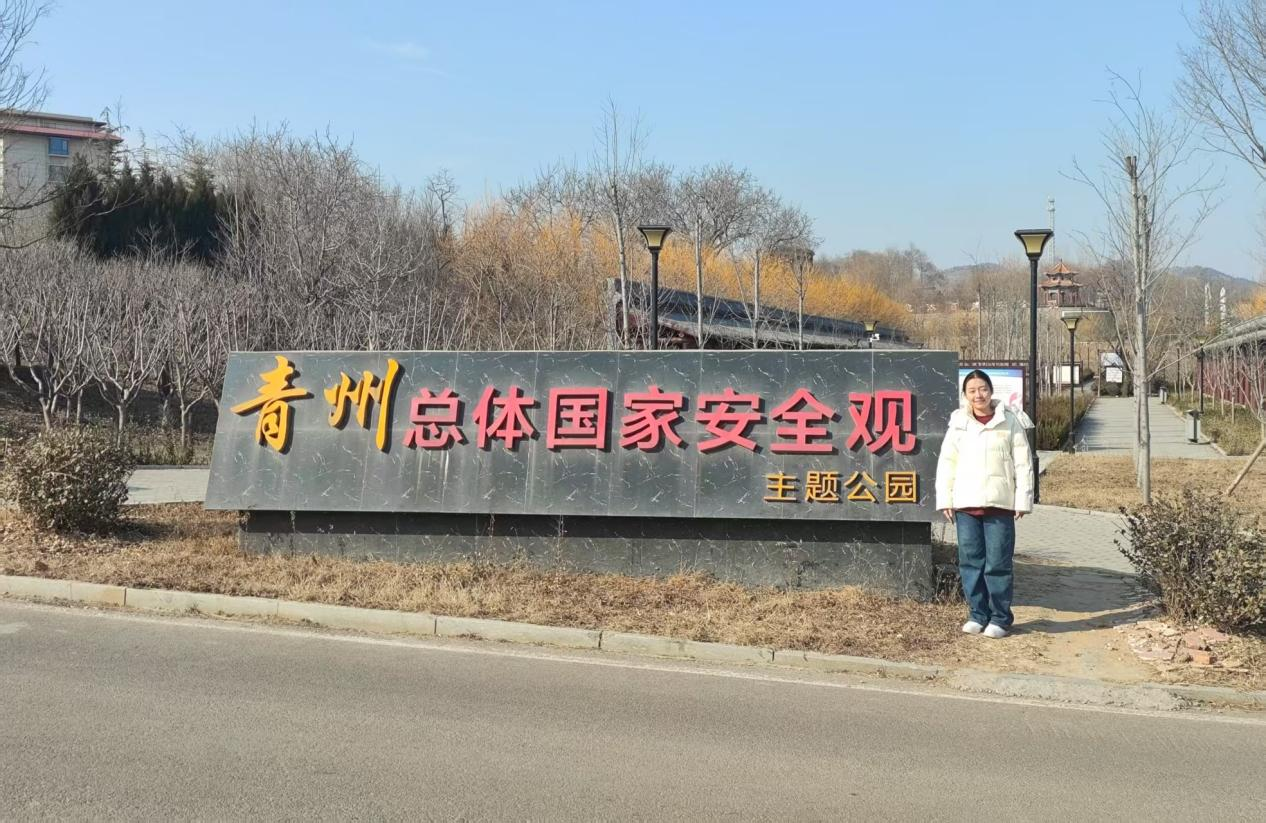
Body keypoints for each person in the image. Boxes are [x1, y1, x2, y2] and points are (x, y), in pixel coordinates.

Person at [935, 369, 1033, 639]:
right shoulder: (958, 423)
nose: (978, 395)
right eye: (972, 390)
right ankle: (978, 614)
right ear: (965, 395)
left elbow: (1023, 463)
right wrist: (945, 499)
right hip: (966, 504)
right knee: (970, 562)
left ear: (991, 391)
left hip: (1000, 504)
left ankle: (1000, 618)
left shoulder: (1009, 421)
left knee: (998, 563)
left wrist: (1023, 499)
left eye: (983, 389)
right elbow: (947, 463)